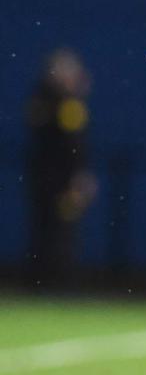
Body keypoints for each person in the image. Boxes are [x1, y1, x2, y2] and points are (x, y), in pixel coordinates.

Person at [24, 48, 95, 287]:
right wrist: (77, 177)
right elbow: (68, 144)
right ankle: (50, 282)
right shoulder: (59, 103)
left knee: (58, 230)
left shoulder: (53, 102)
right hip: (55, 180)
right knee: (54, 230)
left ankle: (50, 281)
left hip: (53, 178)